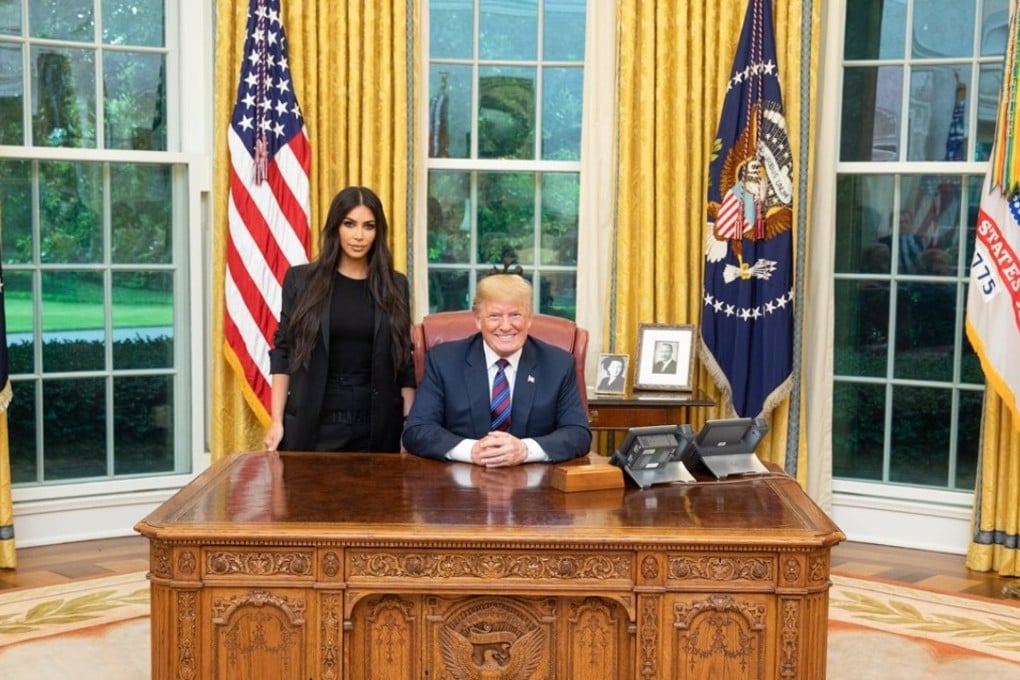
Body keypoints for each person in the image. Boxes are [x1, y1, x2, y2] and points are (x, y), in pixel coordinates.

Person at [264, 186, 415, 453]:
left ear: (378, 232)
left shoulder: (395, 284)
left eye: (368, 226)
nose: (359, 236)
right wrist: (276, 421)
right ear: (335, 227)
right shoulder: (301, 281)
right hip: (314, 419)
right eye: (350, 224)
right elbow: (283, 351)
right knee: (310, 495)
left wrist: (408, 426)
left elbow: (404, 361)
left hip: (378, 424)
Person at [402, 273, 591, 466]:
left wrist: (525, 450)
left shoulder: (558, 364)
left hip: (537, 484)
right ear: (477, 319)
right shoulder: (443, 360)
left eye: (515, 315)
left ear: (529, 318)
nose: (506, 326)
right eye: (494, 316)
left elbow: (578, 434)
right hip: (458, 483)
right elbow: (417, 430)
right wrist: (471, 450)